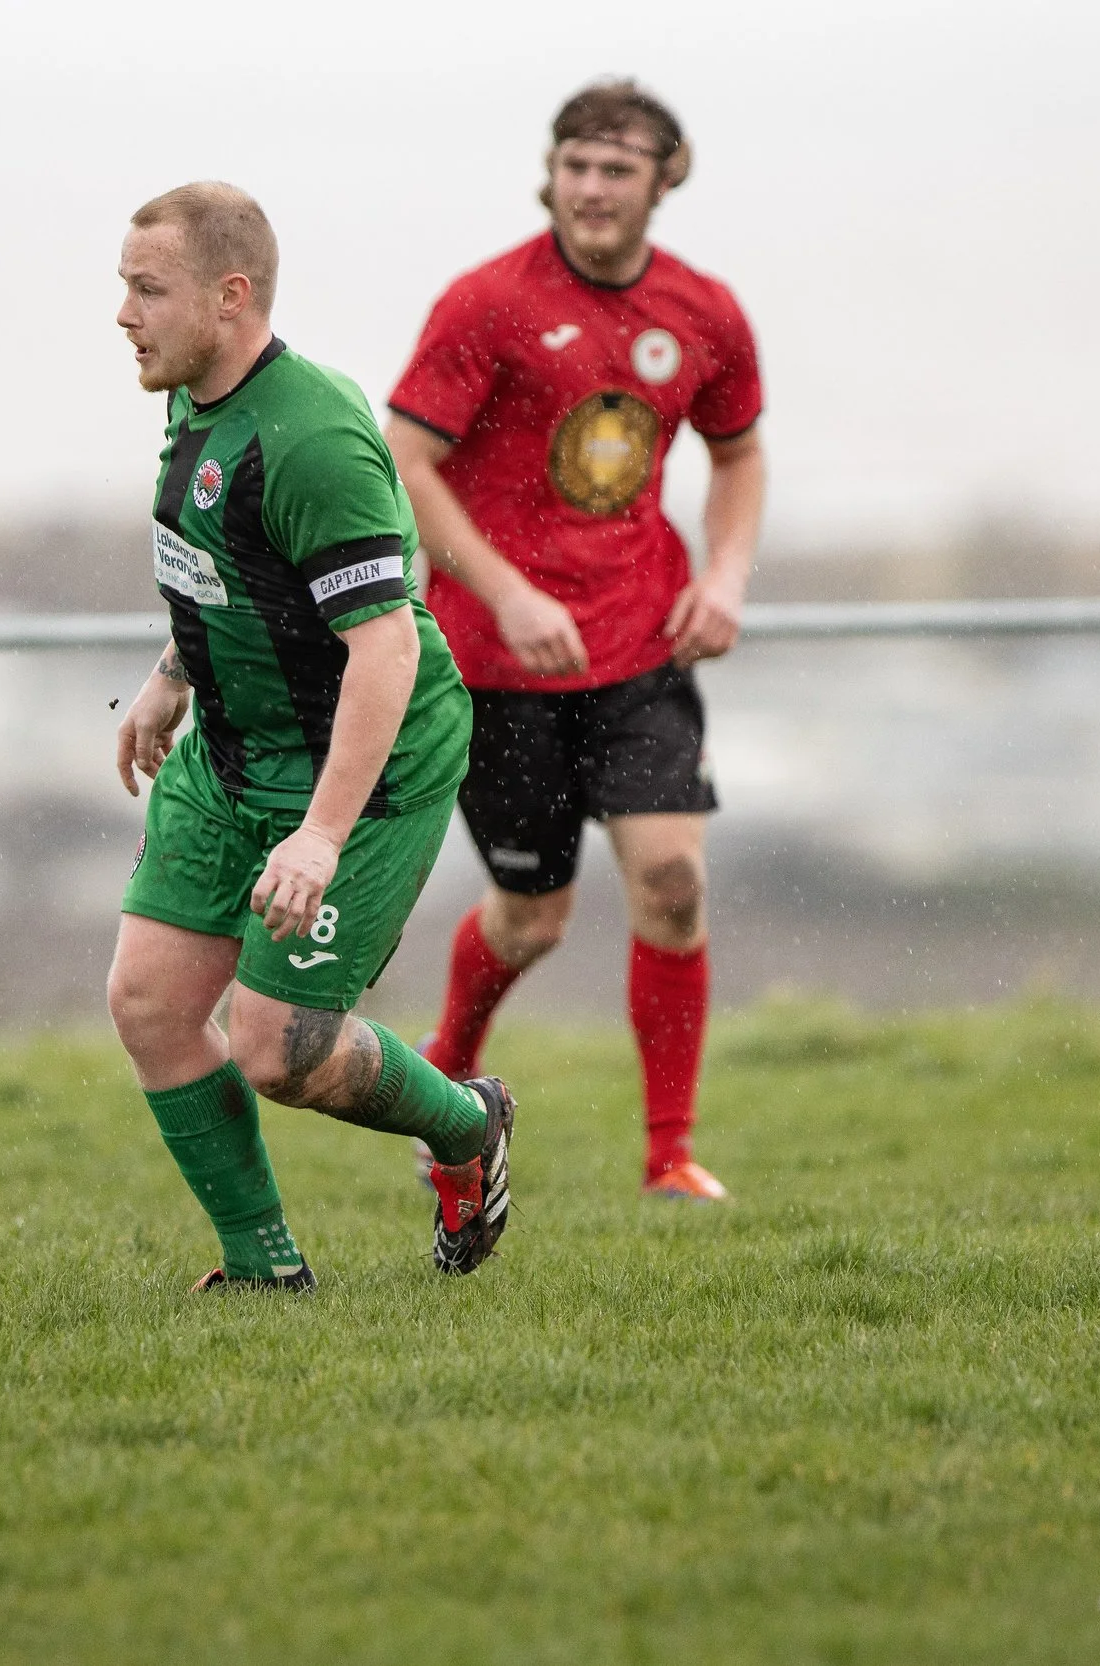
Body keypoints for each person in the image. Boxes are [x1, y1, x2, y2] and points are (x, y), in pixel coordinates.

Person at [105, 182, 516, 1290]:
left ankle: (467, 1128)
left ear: (230, 297)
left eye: (148, 288)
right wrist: (168, 674)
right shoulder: (194, 396)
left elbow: (384, 651)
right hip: (236, 751)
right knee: (149, 1004)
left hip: (364, 767)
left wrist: (321, 835)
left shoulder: (316, 435)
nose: (122, 314)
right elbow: (232, 563)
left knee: (278, 1045)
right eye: (123, 287)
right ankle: (262, 1268)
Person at [386, 80, 766, 1201]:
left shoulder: (704, 311)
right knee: (532, 917)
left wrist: (728, 575)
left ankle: (668, 1158)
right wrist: (504, 593)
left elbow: (738, 454)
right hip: (498, 666)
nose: (592, 189)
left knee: (671, 878)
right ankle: (449, 1068)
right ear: (548, 174)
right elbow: (406, 462)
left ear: (664, 180)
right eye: (576, 167)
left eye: (617, 170)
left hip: (642, 649)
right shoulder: (487, 302)